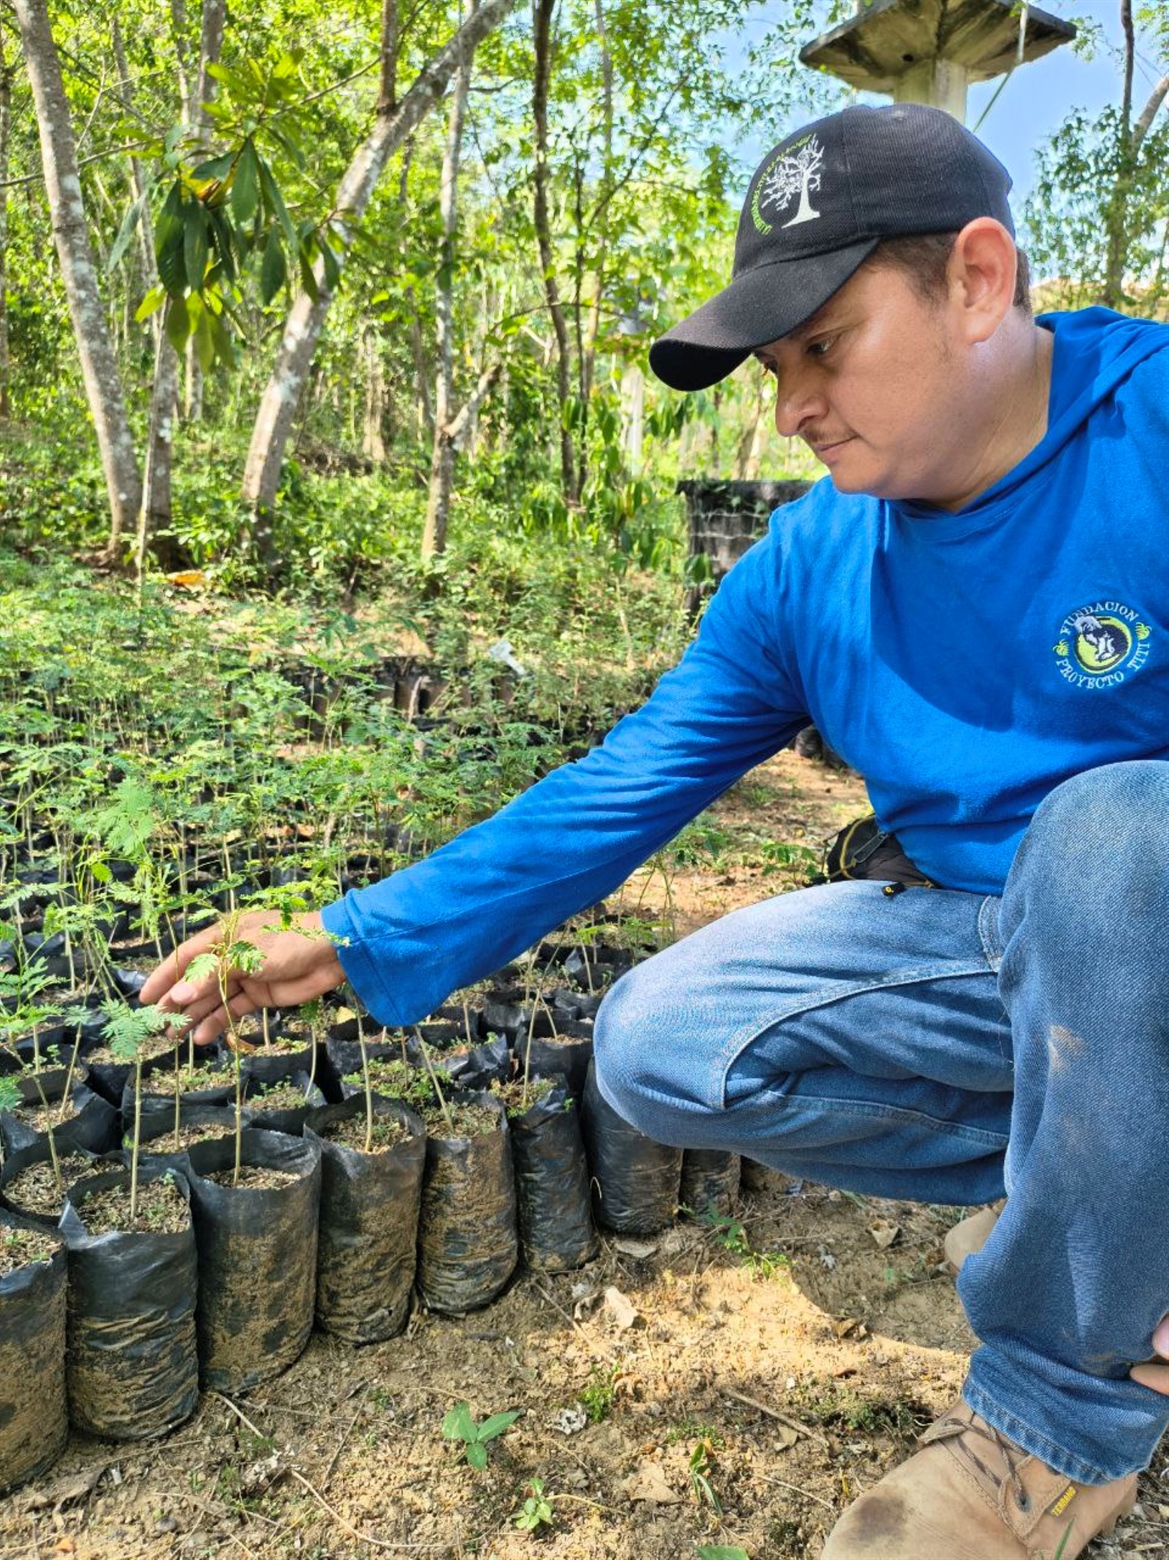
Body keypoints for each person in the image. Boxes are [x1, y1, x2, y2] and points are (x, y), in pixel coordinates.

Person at [141, 103, 1169, 1558]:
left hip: (1151, 917)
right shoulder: (811, 561)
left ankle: (1050, 1429)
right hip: (989, 948)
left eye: (825, 344)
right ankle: (1113, 1213)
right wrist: (351, 934)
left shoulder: (1151, 435)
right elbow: (623, 784)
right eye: (771, 367)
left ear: (979, 280)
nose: (791, 405)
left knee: (1114, 835)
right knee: (661, 1041)